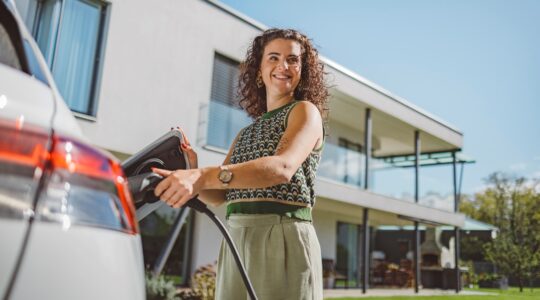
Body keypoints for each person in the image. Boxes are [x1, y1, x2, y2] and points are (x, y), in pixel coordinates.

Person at [153, 28, 329, 300]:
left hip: (283, 236)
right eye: (273, 57)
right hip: (236, 237)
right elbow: (218, 196)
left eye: (292, 60)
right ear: (259, 70)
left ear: (302, 71)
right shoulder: (245, 134)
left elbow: (282, 167)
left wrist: (202, 175)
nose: (283, 66)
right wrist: (191, 168)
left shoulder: (304, 111)